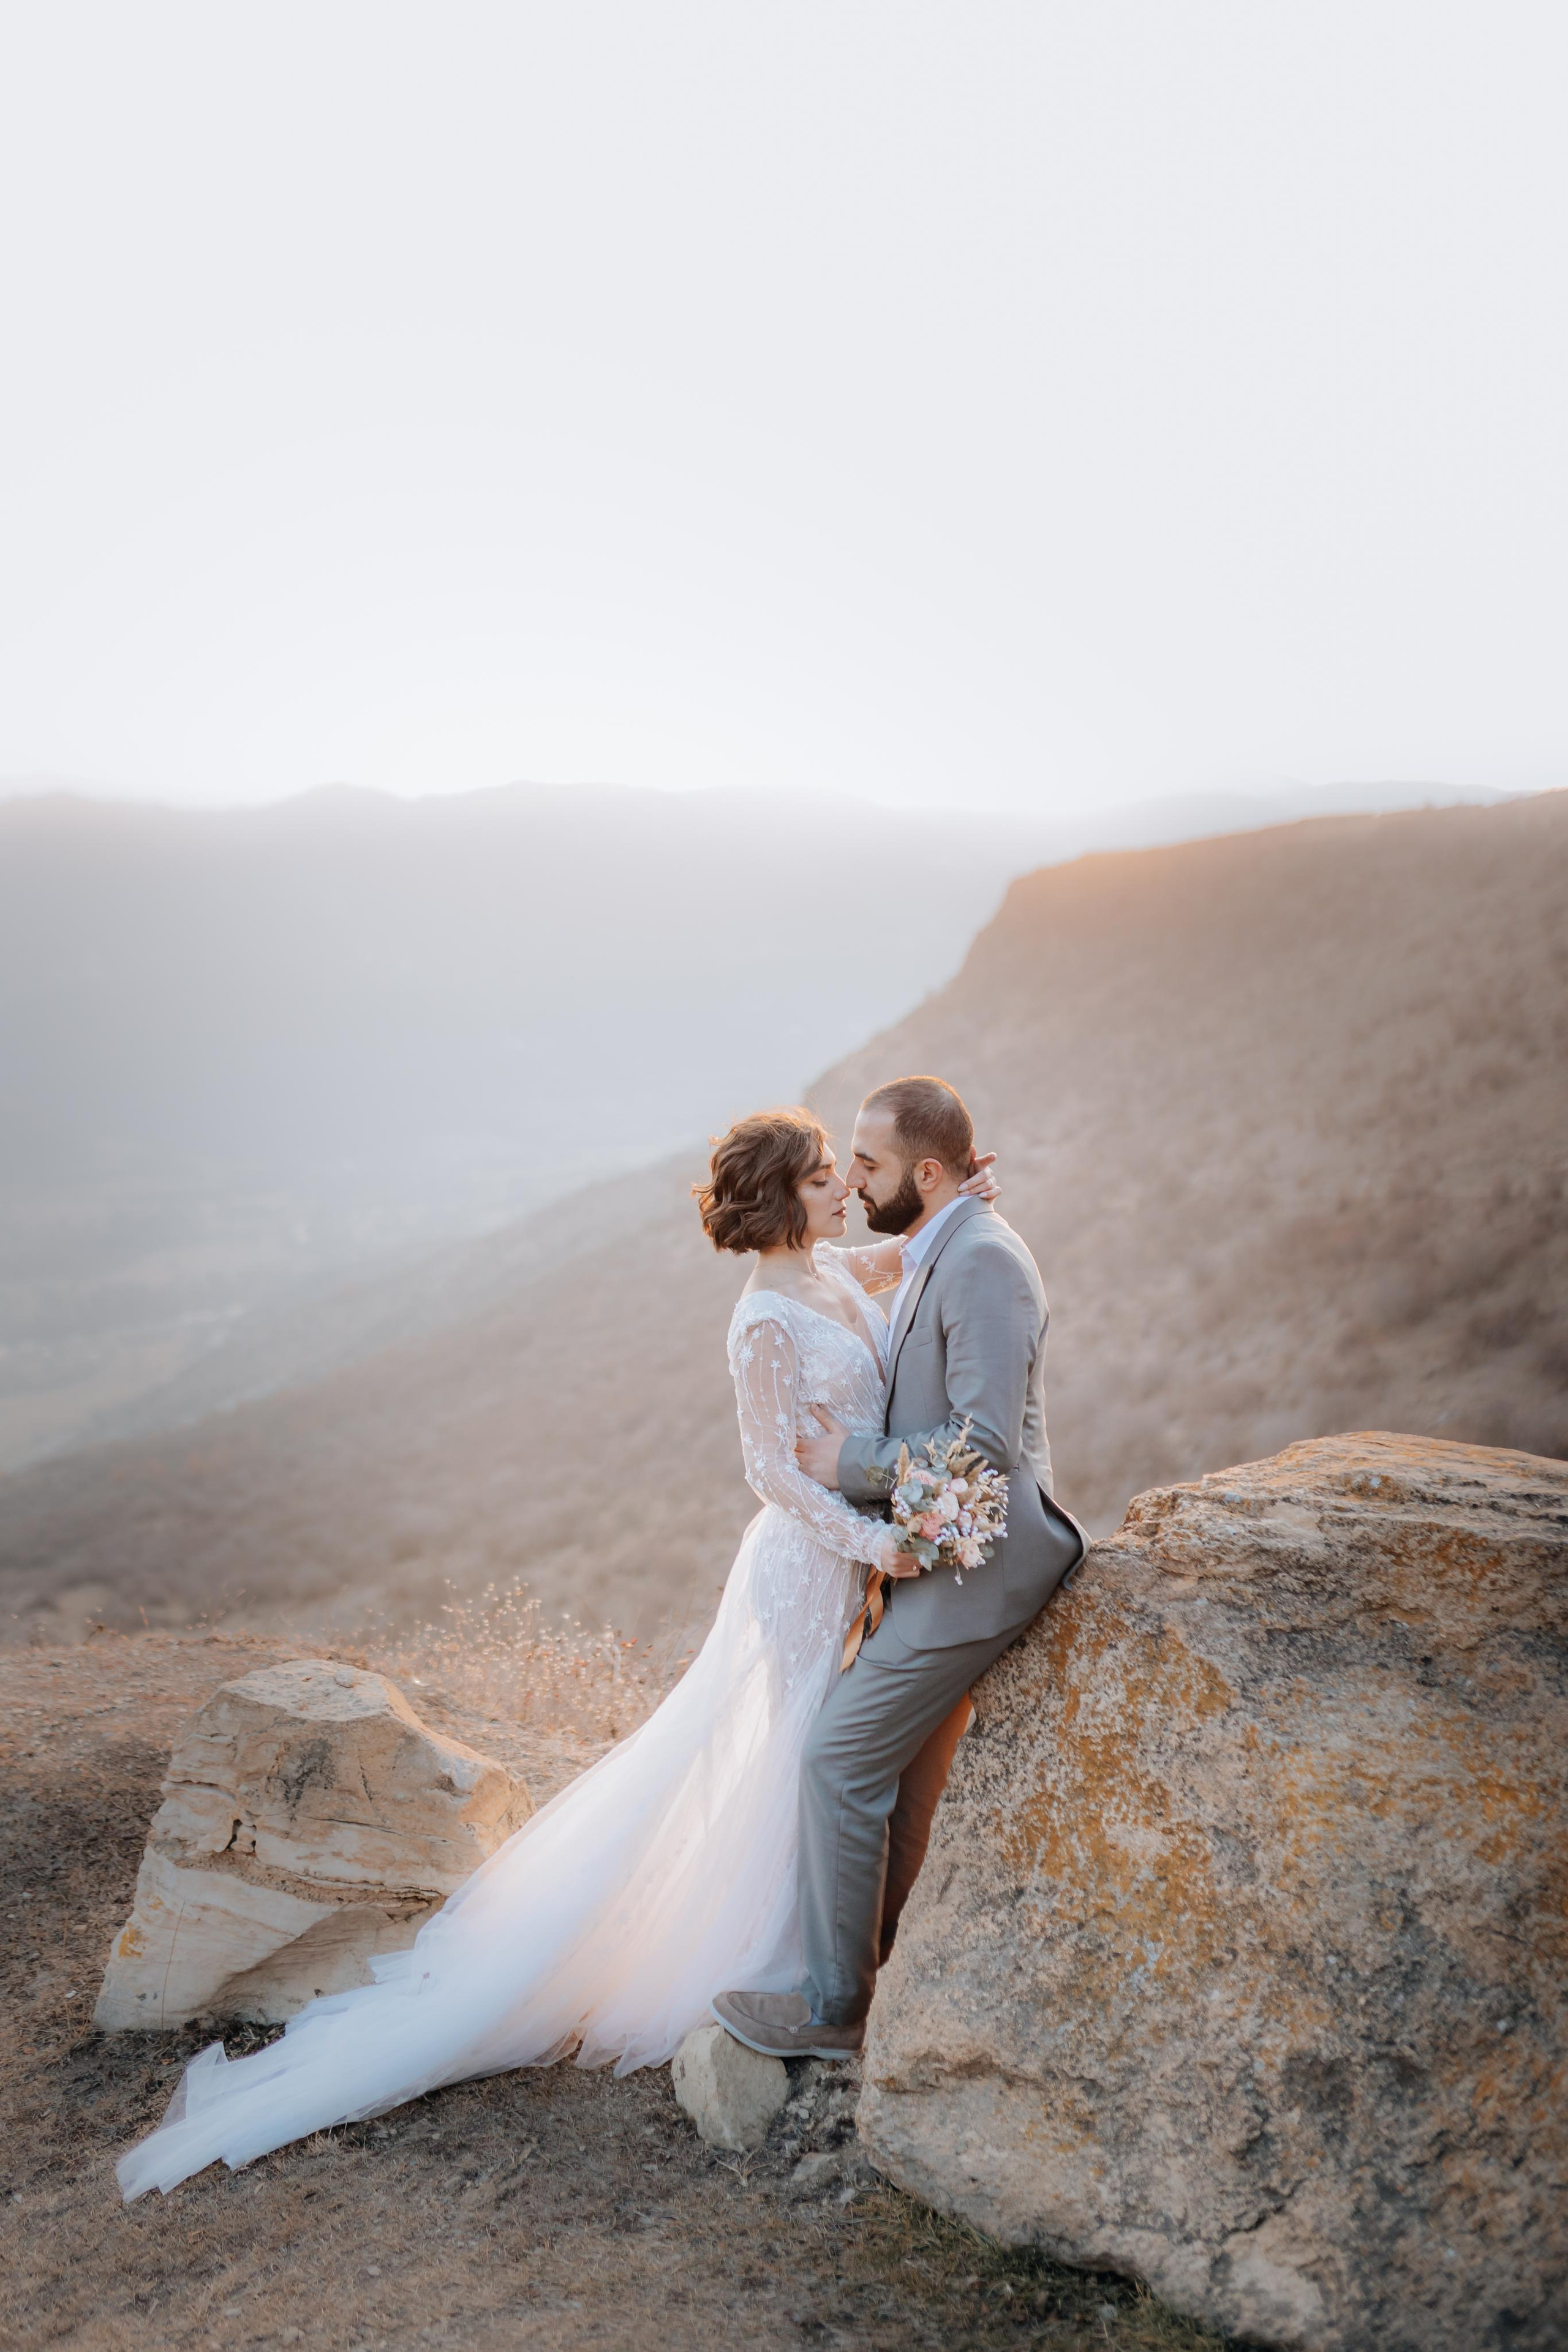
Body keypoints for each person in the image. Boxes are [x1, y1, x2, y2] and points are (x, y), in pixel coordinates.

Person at [115, 1105, 1000, 2199]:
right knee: (798, 1752)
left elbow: (885, 1262)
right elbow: (772, 1473)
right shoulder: (762, 1317)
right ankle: (794, 1971)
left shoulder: (823, 1270)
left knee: (817, 1751)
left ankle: (828, 1957)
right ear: (780, 1197)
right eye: (823, 1176)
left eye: (841, 1171)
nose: (841, 1187)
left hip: (843, 1563)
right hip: (801, 1568)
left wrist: (948, 1214)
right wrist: (877, 1540)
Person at [714, 1074, 1086, 2063]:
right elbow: (884, 1261)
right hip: (906, 1549)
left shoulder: (983, 1261)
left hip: (981, 1562)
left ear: (924, 1172)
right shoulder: (937, 1241)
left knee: (837, 1761)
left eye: (865, 1166)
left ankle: (834, 2011)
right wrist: (955, 1198)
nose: (852, 1183)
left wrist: (854, 1468)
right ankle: (892, 1967)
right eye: (837, 1170)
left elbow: (987, 1446)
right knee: (898, 1773)